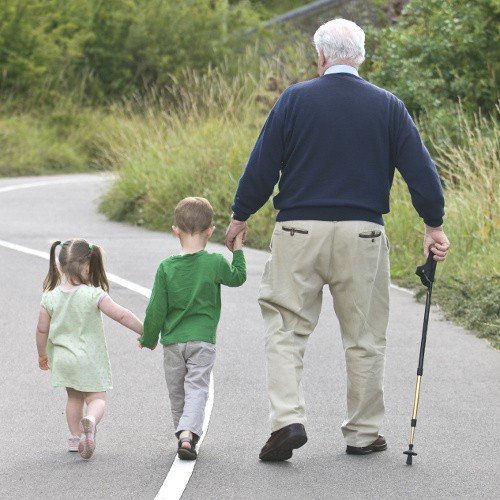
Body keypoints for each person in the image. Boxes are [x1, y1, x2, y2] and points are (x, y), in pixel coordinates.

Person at [225, 18, 450, 461]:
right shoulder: (387, 105)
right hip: (363, 234)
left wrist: (240, 215)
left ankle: (288, 420)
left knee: (286, 328)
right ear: (361, 56)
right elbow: (421, 172)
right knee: (365, 336)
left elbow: (262, 165)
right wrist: (433, 224)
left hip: (297, 230)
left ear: (321, 56)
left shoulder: (294, 99)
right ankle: (363, 434)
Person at [140, 197, 246, 460]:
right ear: (210, 230)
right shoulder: (215, 262)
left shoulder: (166, 267)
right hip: (202, 341)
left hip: (173, 342)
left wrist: (149, 337)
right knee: (197, 387)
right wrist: (239, 248)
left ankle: (182, 434)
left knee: (177, 391)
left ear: (175, 229)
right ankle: (189, 433)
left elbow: (156, 309)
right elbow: (238, 277)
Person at [36, 239, 143, 459]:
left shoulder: (50, 297)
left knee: (74, 398)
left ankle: (76, 438)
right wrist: (145, 331)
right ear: (86, 266)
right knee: (96, 399)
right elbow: (120, 315)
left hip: (64, 360)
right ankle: (91, 422)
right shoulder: (94, 295)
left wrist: (42, 355)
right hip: (89, 359)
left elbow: (41, 329)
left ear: (61, 265)